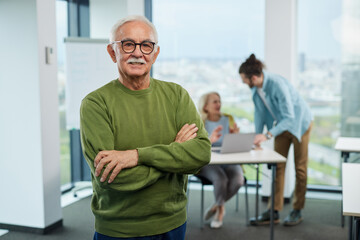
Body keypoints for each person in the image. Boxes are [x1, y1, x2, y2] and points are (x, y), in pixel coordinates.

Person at [80, 15, 211, 239]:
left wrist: (136, 156)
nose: (138, 53)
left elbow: (200, 154)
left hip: (173, 223)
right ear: (113, 52)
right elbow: (112, 178)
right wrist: (174, 153)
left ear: (155, 53)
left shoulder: (177, 96)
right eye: (128, 44)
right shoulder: (95, 104)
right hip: (118, 229)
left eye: (146, 45)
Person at [238, 54, 313, 226]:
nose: (243, 83)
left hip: (300, 124)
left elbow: (289, 117)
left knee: (300, 168)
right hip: (282, 126)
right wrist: (257, 136)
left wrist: (268, 135)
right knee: (278, 165)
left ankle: (297, 210)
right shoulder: (255, 89)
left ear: (254, 77)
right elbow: (259, 114)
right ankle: (274, 211)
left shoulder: (277, 84)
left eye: (244, 79)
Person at [196, 92, 245, 229]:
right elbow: (195, 146)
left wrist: (235, 137)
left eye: (219, 101)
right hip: (207, 162)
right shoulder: (200, 121)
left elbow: (233, 143)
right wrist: (209, 140)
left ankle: (216, 205)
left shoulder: (228, 119)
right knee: (221, 179)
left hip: (227, 158)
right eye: (215, 102)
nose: (219, 104)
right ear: (205, 106)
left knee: (238, 180)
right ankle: (220, 212)